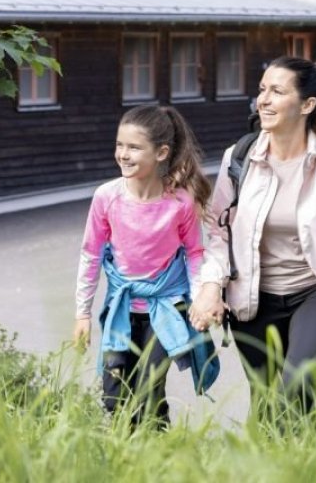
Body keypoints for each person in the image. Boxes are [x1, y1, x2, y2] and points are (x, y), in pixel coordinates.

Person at [190, 55, 316, 418]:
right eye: (262, 90)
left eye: (277, 91)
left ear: (307, 105)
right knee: (265, 405)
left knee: (296, 389)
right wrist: (211, 285)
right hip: (252, 298)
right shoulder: (240, 157)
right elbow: (219, 233)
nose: (263, 99)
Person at [73, 104, 219, 426]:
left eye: (134, 147)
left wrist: (199, 301)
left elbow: (195, 253)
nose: (123, 154)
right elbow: (91, 254)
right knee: (113, 396)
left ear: (161, 152)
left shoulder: (179, 203)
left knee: (149, 390)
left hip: (165, 308)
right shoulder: (106, 197)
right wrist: (82, 313)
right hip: (122, 310)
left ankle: (156, 453)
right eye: (119, 145)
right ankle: (126, 453)